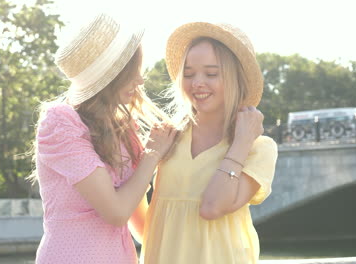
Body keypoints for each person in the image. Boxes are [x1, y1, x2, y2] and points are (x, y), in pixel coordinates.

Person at [31, 14, 176, 263]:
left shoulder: (122, 129)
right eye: (132, 72)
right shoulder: (60, 123)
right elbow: (117, 212)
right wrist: (152, 155)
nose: (140, 80)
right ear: (110, 76)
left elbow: (139, 224)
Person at [139, 22, 278, 263]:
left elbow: (212, 207)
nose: (197, 83)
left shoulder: (258, 149)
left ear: (236, 78)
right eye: (189, 74)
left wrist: (242, 142)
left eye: (211, 73)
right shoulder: (167, 137)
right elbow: (132, 204)